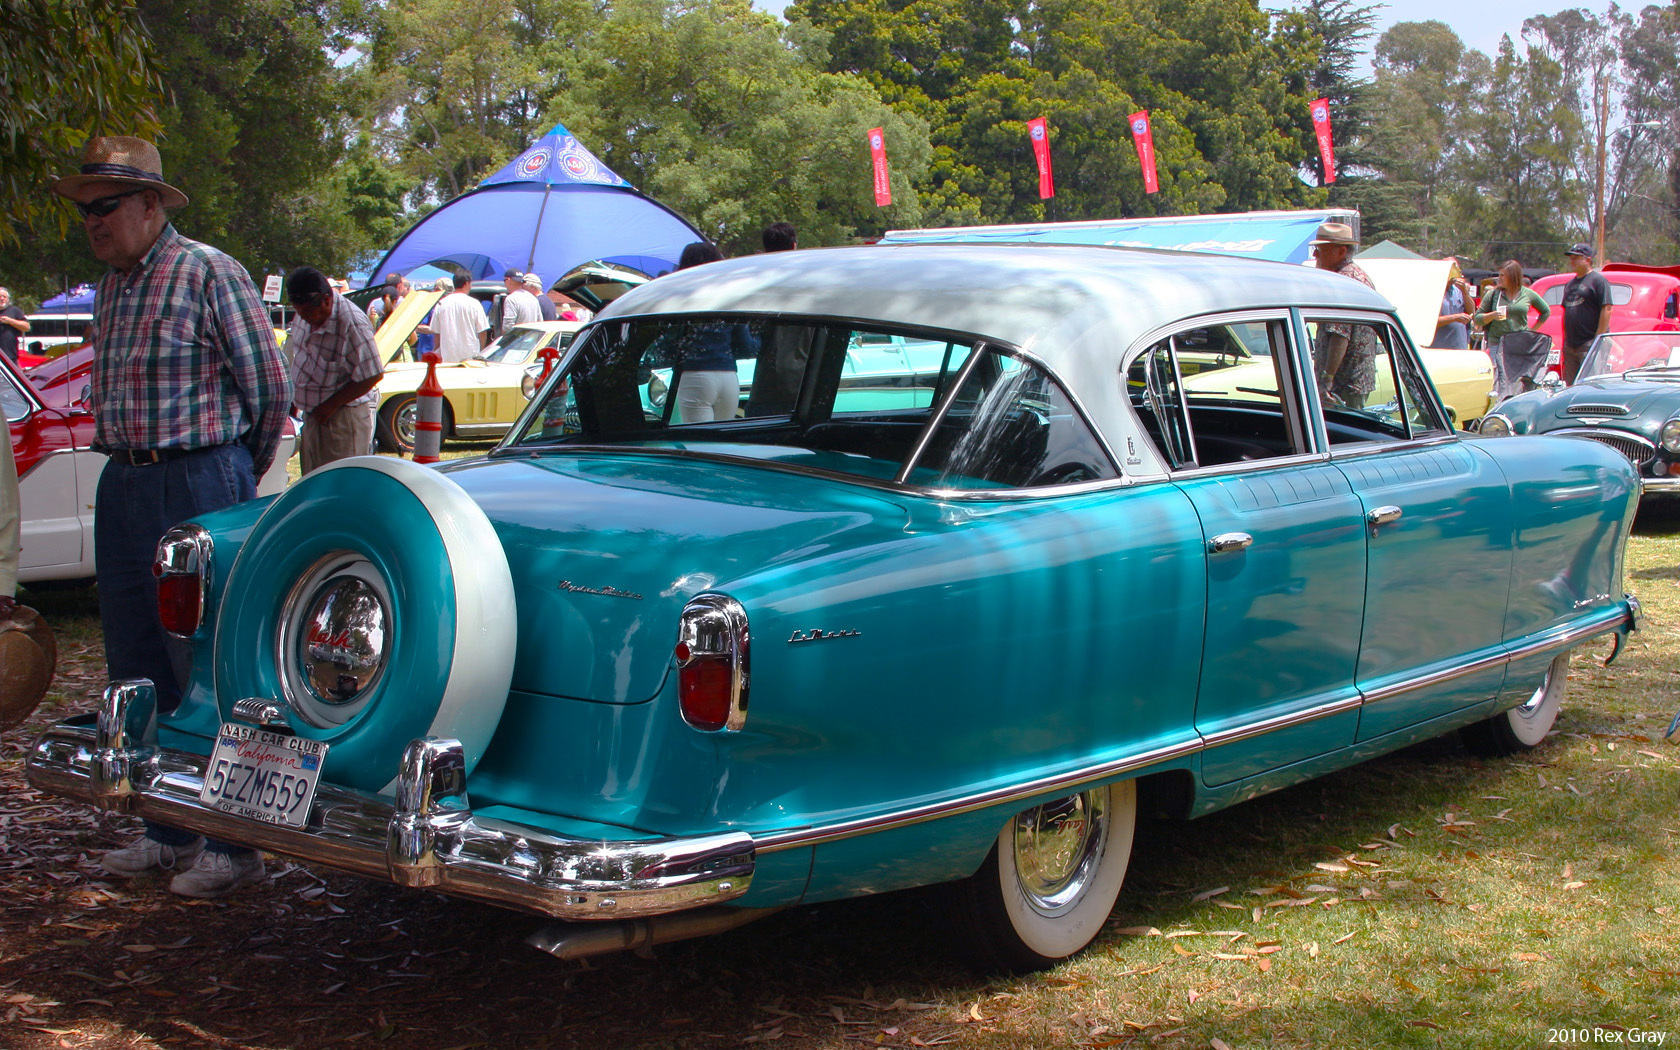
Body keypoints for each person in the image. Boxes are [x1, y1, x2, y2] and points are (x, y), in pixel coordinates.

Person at [50, 135, 290, 897]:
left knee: (212, 660)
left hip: (196, 475)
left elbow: (270, 390)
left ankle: (235, 844)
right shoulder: (111, 287)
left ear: (151, 204)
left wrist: (228, 475)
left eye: (107, 205)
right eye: (86, 209)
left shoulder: (209, 271)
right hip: (124, 479)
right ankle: (166, 829)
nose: (93, 220)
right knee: (135, 659)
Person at [285, 267, 383, 475]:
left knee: (340, 484)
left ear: (326, 300)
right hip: (313, 416)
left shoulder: (352, 323)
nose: (305, 318)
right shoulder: (304, 313)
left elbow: (373, 373)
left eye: (308, 313)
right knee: (314, 483)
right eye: (300, 313)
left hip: (341, 419)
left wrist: (331, 405)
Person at [666, 242, 756, 422]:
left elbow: (670, 341)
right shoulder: (729, 297)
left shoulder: (679, 298)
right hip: (729, 378)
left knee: (698, 436)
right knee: (721, 436)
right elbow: (747, 346)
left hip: (695, 376)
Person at [1308, 222, 1379, 409]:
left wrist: (1326, 380)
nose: (1315, 255)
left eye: (1320, 250)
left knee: (1339, 426)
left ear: (1341, 251)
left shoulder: (1343, 282)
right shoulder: (1353, 276)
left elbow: (1340, 335)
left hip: (1342, 385)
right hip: (1351, 381)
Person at [1474, 259, 1552, 398]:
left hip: (1520, 344)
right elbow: (1477, 317)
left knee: (1517, 378)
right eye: (1499, 275)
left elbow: (1545, 311)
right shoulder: (1493, 295)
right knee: (1498, 377)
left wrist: (1533, 330)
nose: (1499, 278)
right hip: (1497, 343)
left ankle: (1516, 401)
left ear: (1513, 276)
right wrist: (1492, 315)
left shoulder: (1527, 293)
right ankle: (1497, 403)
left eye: (1503, 275)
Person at [1559, 243, 1613, 384]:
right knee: (1571, 386)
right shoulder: (1570, 284)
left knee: (1590, 385)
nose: (1572, 261)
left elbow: (1607, 308)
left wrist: (1599, 339)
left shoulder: (1598, 281)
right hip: (1571, 345)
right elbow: (1566, 311)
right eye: (1571, 258)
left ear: (1588, 260)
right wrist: (1565, 340)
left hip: (1589, 343)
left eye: (1576, 258)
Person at [431, 271, 489, 362]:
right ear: (467, 283)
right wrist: (481, 352)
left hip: (448, 357)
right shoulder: (474, 303)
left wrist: (435, 351)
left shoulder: (441, 304)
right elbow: (482, 332)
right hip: (470, 357)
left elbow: (437, 333)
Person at [1428, 259, 1475, 349]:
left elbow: (1472, 312)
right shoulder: (1433, 291)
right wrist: (1454, 318)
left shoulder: (1459, 290)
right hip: (1439, 347)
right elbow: (1429, 322)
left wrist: (1465, 292)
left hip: (1460, 346)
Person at [499, 267, 542, 335]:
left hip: (517, 339)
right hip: (532, 338)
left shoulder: (511, 299)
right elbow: (540, 322)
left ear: (509, 280)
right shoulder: (533, 298)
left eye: (504, 280)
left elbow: (508, 326)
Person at [0, 287, 30, 364]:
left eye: (4, 297)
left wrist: (10, 321)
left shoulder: (14, 310)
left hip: (10, 355)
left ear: (8, 299)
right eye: (0, 296)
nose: (2, 299)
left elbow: (27, 327)